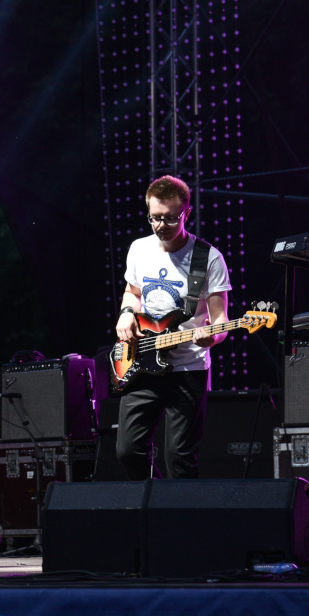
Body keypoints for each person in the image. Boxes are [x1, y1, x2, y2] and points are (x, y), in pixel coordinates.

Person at [114, 176, 232, 480]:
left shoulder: (209, 258)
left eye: (169, 218)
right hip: (143, 361)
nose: (161, 225)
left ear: (186, 213)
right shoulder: (139, 249)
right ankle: (153, 499)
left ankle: (178, 508)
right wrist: (126, 313)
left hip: (188, 368)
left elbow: (220, 320)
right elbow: (132, 292)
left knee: (179, 458)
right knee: (128, 450)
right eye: (154, 218)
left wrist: (212, 337)